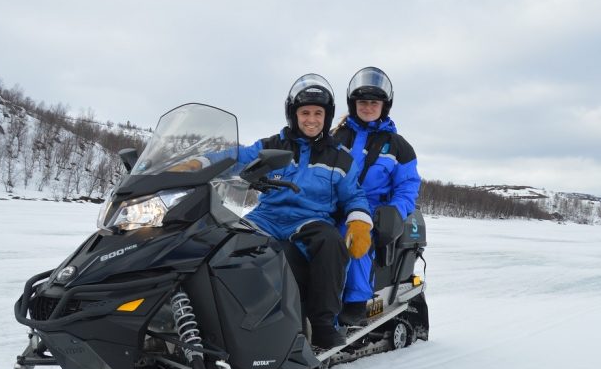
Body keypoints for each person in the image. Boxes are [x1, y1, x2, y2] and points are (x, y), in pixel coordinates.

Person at [179, 74, 373, 348]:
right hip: (267, 218)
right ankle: (214, 316)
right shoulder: (273, 145)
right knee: (221, 240)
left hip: (310, 221)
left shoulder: (340, 157)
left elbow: (354, 194)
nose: (311, 119)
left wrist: (359, 221)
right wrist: (200, 164)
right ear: (293, 115)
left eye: (318, 113)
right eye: (305, 112)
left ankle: (323, 323)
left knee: (331, 244)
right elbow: (238, 157)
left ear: (327, 118)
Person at [332, 67, 421, 325]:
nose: (368, 107)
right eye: (363, 102)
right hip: (334, 203)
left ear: (384, 106)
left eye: (374, 102)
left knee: (354, 237)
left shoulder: (399, 146)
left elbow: (408, 186)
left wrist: (396, 210)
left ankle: (355, 302)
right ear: (353, 104)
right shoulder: (335, 137)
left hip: (373, 210)